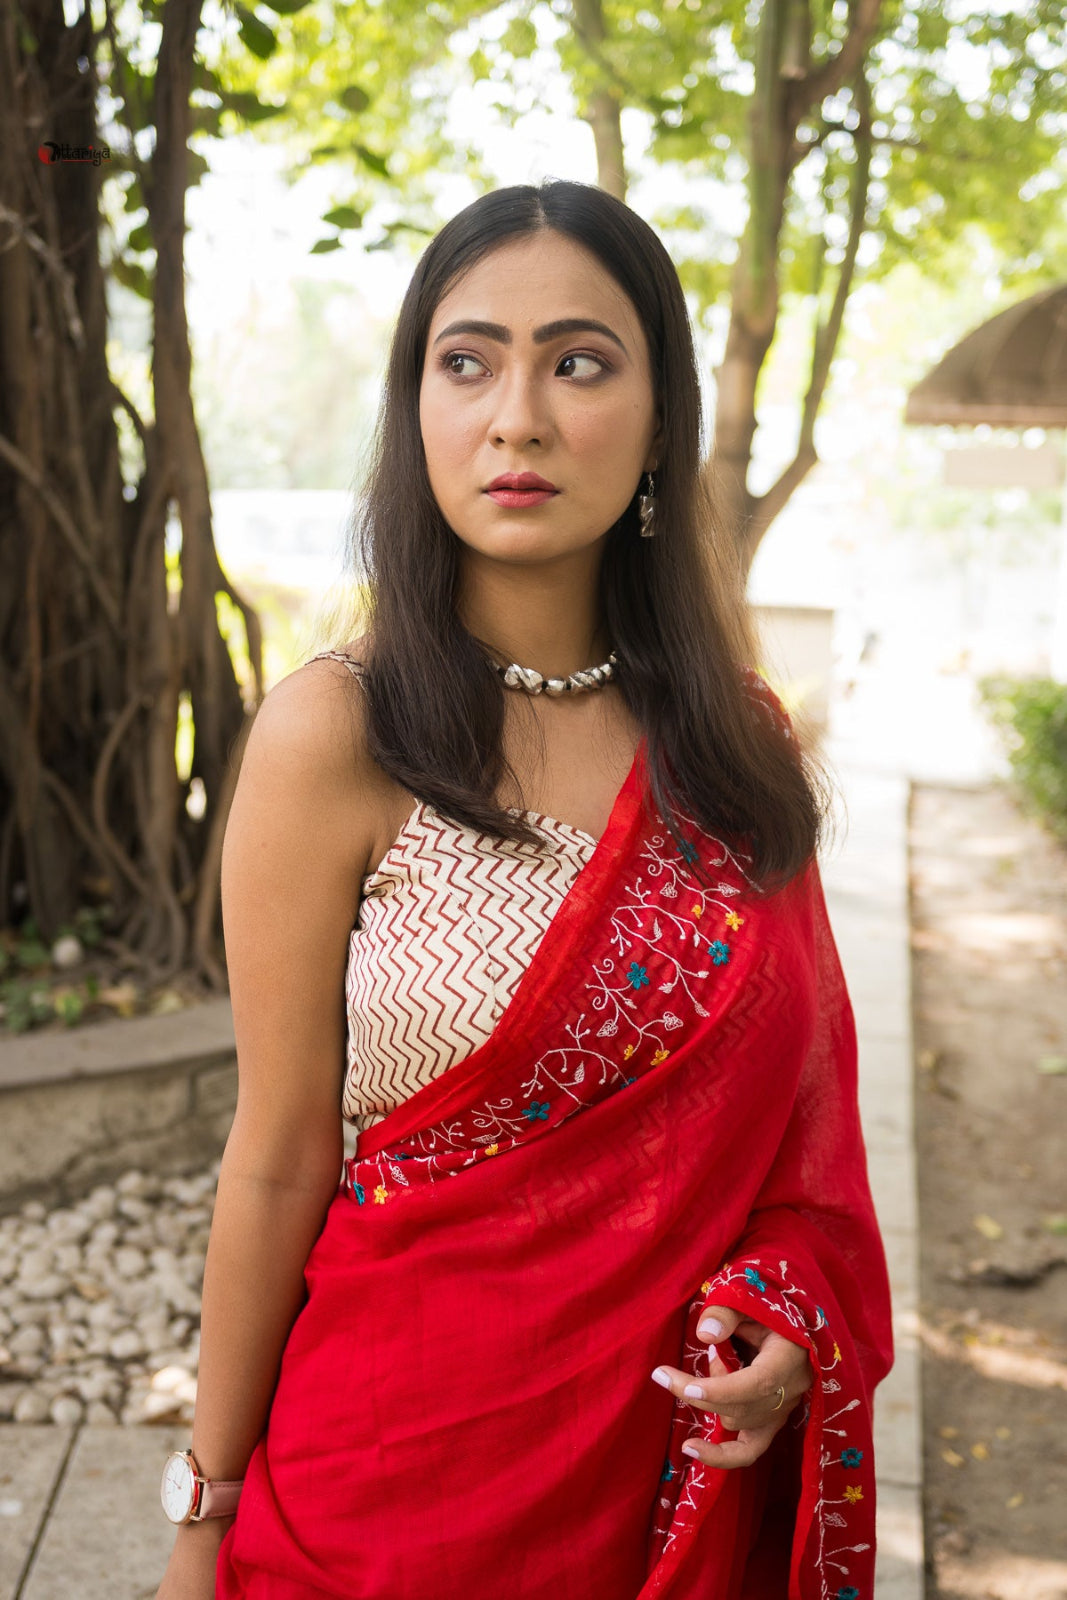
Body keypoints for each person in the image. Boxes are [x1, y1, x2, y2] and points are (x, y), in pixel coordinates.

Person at [155, 179, 892, 1600]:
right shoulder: (341, 731)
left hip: (653, 1496)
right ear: (416, 406)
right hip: (377, 1492)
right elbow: (279, 1153)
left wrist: (791, 1320)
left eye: (580, 361)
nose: (520, 418)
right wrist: (202, 1517)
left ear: (661, 413)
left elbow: (806, 1155)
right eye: (468, 360)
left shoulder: (734, 745)